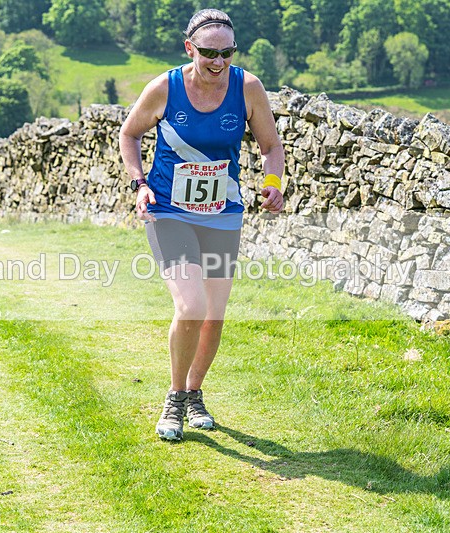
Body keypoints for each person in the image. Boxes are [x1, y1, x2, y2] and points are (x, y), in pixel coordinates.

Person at [119, 8, 285, 441]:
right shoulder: (165, 88)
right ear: (189, 48)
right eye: (209, 52)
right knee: (190, 306)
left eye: (226, 52)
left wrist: (272, 184)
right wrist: (139, 184)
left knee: (213, 315)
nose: (218, 61)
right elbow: (129, 133)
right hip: (169, 210)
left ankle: (195, 393)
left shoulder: (247, 87)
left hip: (223, 214)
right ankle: (174, 399)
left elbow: (270, 146)